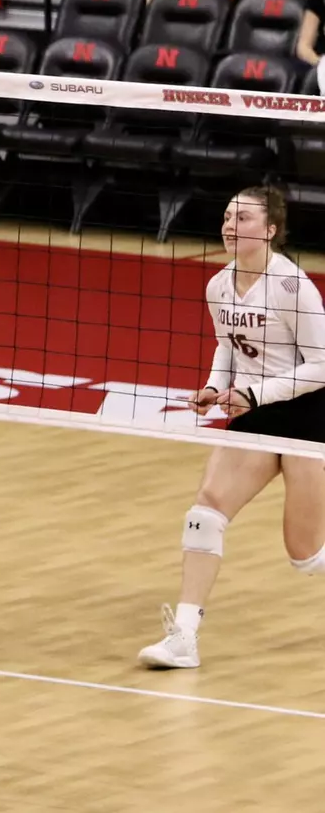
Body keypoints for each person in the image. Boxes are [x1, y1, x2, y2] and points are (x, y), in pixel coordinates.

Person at [137, 186, 325, 670]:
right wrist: (213, 385)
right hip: (254, 413)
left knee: (305, 557)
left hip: (309, 415)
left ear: (270, 230)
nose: (228, 225)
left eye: (242, 218)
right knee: (205, 512)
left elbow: (322, 366)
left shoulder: (292, 287)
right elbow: (229, 346)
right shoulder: (218, 286)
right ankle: (184, 636)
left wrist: (255, 393)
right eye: (226, 216)